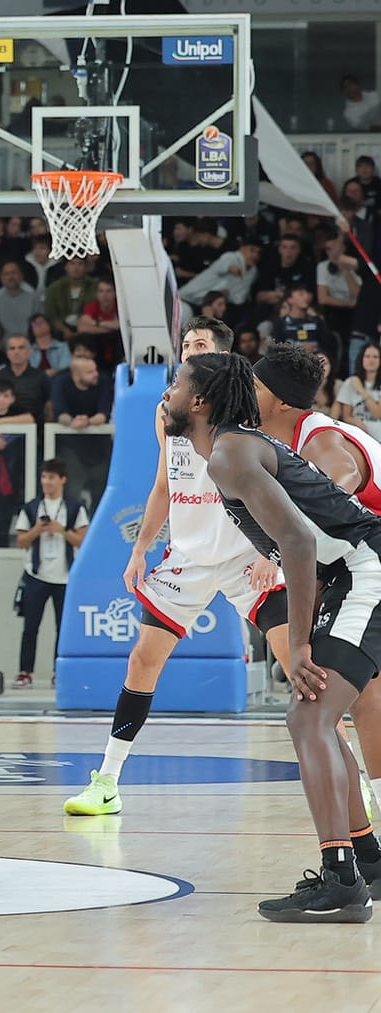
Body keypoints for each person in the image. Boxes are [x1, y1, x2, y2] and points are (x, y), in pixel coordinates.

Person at [170, 351, 381, 922]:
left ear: (200, 401)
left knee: (309, 717)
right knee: (317, 716)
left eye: (177, 383)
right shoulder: (232, 448)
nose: (167, 393)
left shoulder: (231, 454)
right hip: (351, 572)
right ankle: (366, 859)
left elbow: (300, 542)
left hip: (364, 569)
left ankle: (342, 881)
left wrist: (302, 642)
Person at [64, 317, 286, 818]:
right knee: (141, 661)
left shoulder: (250, 409)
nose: (189, 351)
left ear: (223, 356)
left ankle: (353, 779)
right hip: (187, 556)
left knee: (301, 667)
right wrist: (140, 548)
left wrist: (267, 551)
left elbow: (279, 484)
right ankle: (108, 781)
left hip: (244, 553)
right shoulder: (168, 410)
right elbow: (164, 484)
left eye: (199, 344)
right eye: (185, 344)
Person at [251, 343, 381, 808]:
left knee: (322, 704)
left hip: (370, 567)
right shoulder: (281, 441)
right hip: (356, 567)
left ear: (282, 402)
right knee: (365, 695)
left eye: (256, 386)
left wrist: (281, 546)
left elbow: (332, 493)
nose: (247, 392)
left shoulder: (320, 443)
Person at [11, 460, 89, 689]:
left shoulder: (75, 507)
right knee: (30, 626)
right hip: (36, 574)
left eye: (52, 477)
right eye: (44, 477)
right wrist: (38, 529)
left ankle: (59, 672)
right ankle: (25, 672)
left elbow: (83, 540)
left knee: (62, 627)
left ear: (62, 479)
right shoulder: (31, 507)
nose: (47, 482)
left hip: (65, 577)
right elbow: (21, 541)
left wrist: (61, 530)